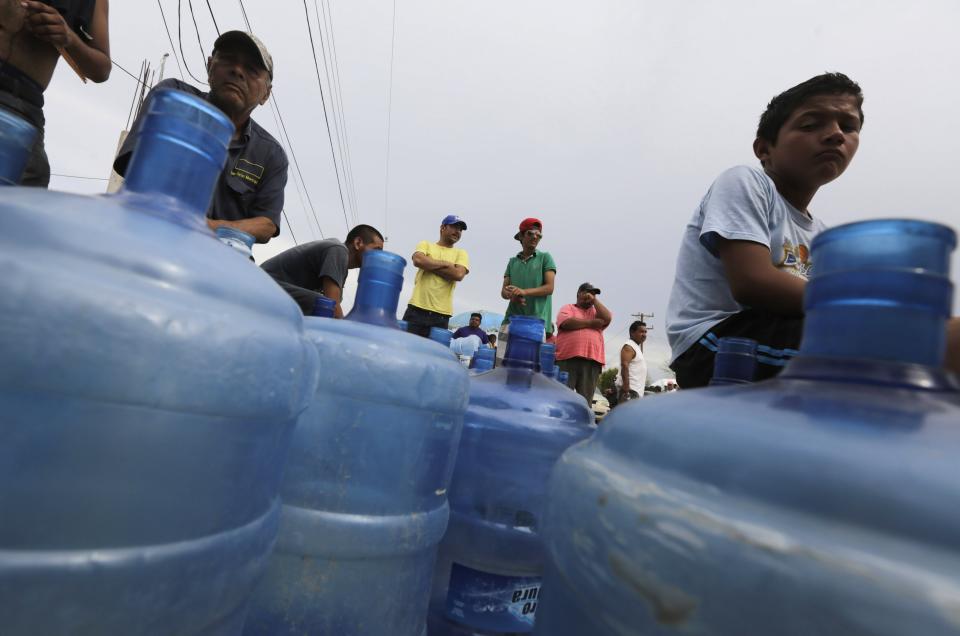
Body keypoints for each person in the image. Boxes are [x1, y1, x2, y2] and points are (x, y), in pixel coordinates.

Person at [666, 72, 864, 389]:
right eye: (812, 124)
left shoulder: (824, 236)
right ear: (764, 149)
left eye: (848, 126)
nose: (835, 135)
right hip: (717, 343)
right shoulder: (746, 182)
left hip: (778, 331)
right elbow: (752, 282)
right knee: (896, 344)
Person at [114, 30, 286, 245]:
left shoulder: (270, 153)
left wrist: (208, 227)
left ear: (266, 94)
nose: (237, 70)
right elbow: (137, 167)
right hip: (148, 233)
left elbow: (267, 224)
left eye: (251, 70)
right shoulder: (173, 97)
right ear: (210, 65)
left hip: (220, 257)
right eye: (229, 59)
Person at [0, 0, 111, 186]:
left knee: (26, 193)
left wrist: (69, 37)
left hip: (26, 106)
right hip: (24, 111)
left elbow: (102, 69)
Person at [260, 224, 384, 317]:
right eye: (377, 250)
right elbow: (332, 305)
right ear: (358, 243)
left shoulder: (341, 263)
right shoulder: (338, 250)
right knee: (322, 304)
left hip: (274, 289)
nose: (379, 257)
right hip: (264, 283)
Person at [498, 217, 557, 360]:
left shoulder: (545, 257)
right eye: (531, 233)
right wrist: (511, 295)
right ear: (521, 236)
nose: (535, 237)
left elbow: (549, 288)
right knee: (501, 364)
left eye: (539, 235)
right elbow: (504, 291)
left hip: (535, 323)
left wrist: (524, 292)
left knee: (529, 369)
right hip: (511, 321)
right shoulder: (512, 262)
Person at [402, 215, 470, 337]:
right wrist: (447, 265)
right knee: (405, 349)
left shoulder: (461, 253)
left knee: (431, 355)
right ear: (443, 227)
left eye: (460, 229)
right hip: (416, 309)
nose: (457, 231)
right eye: (454, 227)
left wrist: (429, 264)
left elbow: (458, 274)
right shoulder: (426, 244)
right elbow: (418, 260)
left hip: (441, 315)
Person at [555, 283, 612, 403]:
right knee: (562, 398)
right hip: (567, 359)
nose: (590, 295)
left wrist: (594, 301)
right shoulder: (568, 308)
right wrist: (591, 323)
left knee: (585, 401)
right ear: (578, 293)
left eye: (593, 293)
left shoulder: (596, 311)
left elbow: (607, 318)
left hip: (591, 361)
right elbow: (566, 322)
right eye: (587, 292)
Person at [613, 320, 648, 405]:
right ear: (632, 332)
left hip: (635, 393)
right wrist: (626, 387)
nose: (644, 335)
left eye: (645, 332)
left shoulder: (635, 347)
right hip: (630, 392)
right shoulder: (629, 346)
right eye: (641, 332)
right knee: (625, 418)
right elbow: (624, 365)